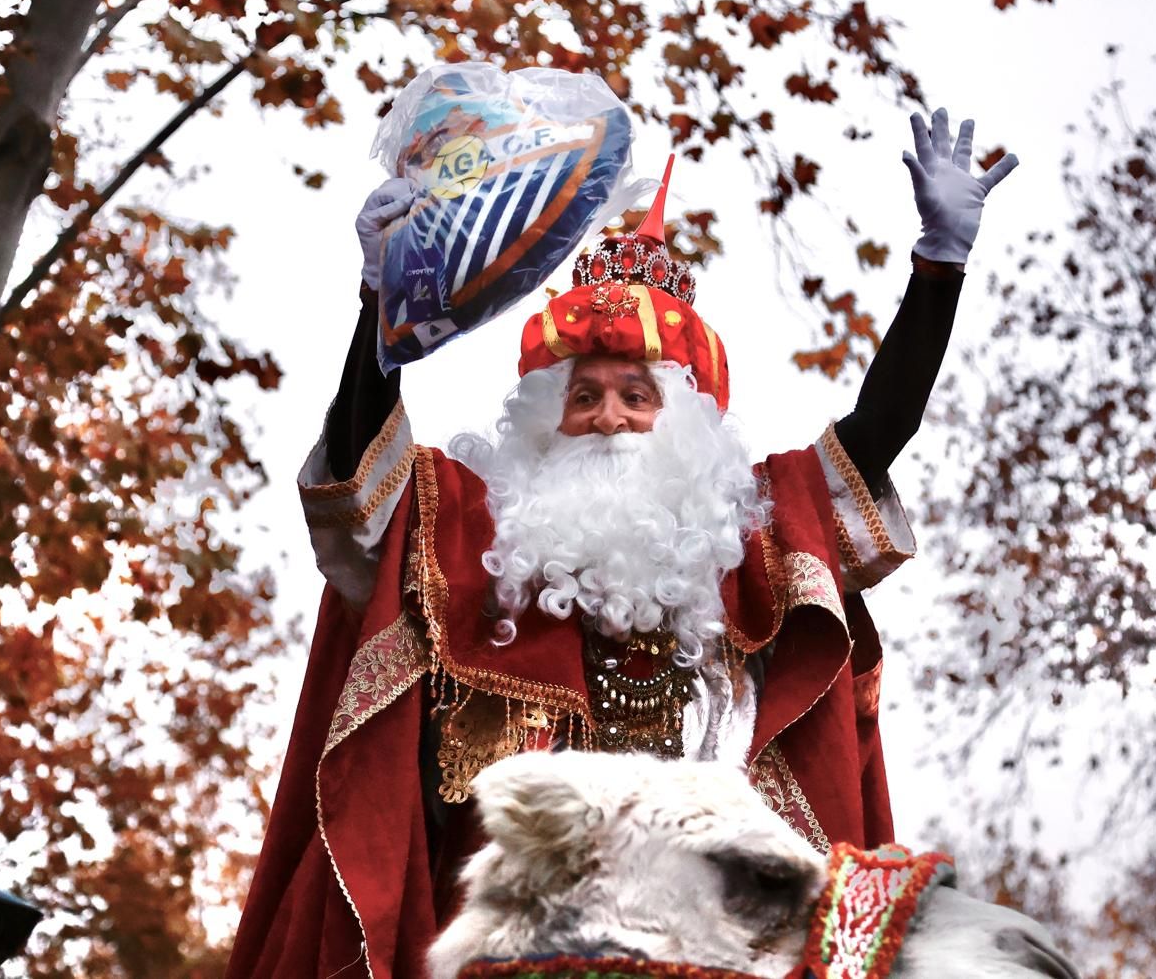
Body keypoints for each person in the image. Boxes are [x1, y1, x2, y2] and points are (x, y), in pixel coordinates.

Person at [226, 109, 1017, 979]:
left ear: (681, 425)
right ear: (544, 425)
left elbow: (876, 435)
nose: (609, 420)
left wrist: (938, 272)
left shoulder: (753, 546)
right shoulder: (470, 539)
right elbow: (358, 469)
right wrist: (384, 304)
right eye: (585, 397)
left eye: (636, 396)